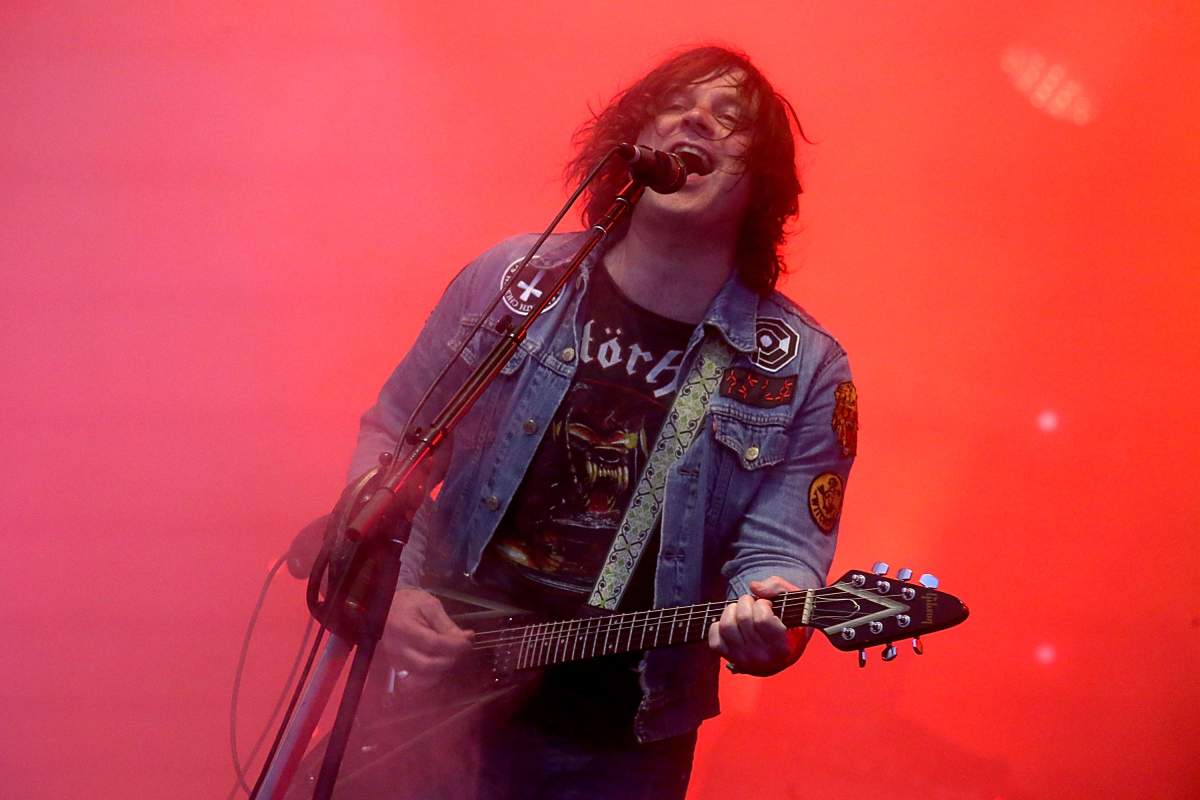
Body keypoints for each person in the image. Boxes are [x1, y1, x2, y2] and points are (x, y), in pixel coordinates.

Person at [341, 45, 856, 800]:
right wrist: (394, 591)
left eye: (729, 119)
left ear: (762, 181)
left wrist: (772, 616)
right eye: (674, 105)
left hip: (616, 749)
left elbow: (782, 553)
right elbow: (398, 438)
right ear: (631, 140)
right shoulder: (517, 282)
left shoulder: (802, 369)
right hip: (428, 709)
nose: (695, 120)